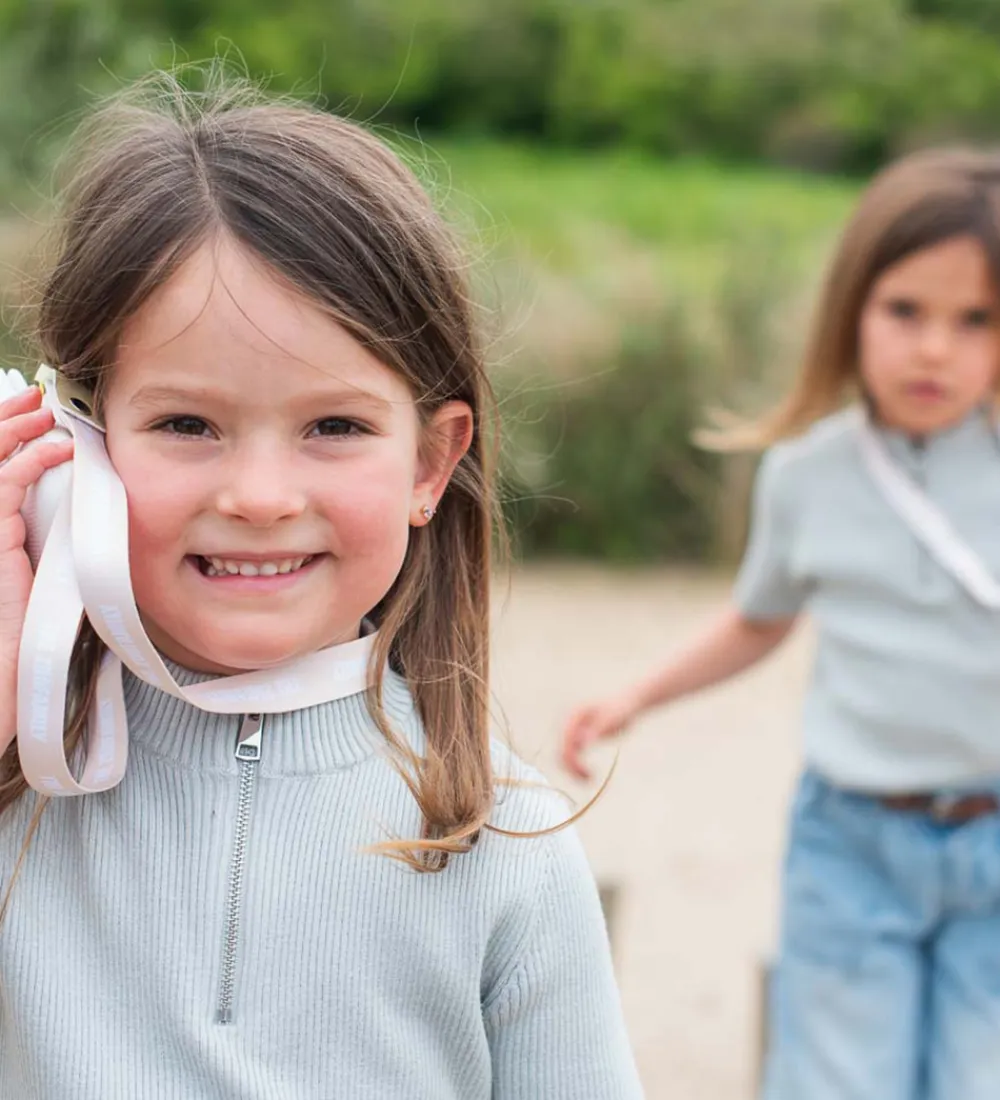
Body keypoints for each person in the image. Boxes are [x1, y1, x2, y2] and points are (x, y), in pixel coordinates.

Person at [0, 69, 642, 1100]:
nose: (259, 495)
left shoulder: (499, 843)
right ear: (75, 446)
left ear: (429, 465)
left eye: (333, 427)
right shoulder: (15, 792)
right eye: (185, 423)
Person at [562, 147, 1000, 1100]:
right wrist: (637, 693)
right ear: (852, 312)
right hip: (855, 838)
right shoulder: (806, 475)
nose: (935, 349)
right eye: (906, 312)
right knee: (840, 1081)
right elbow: (758, 621)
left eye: (976, 321)